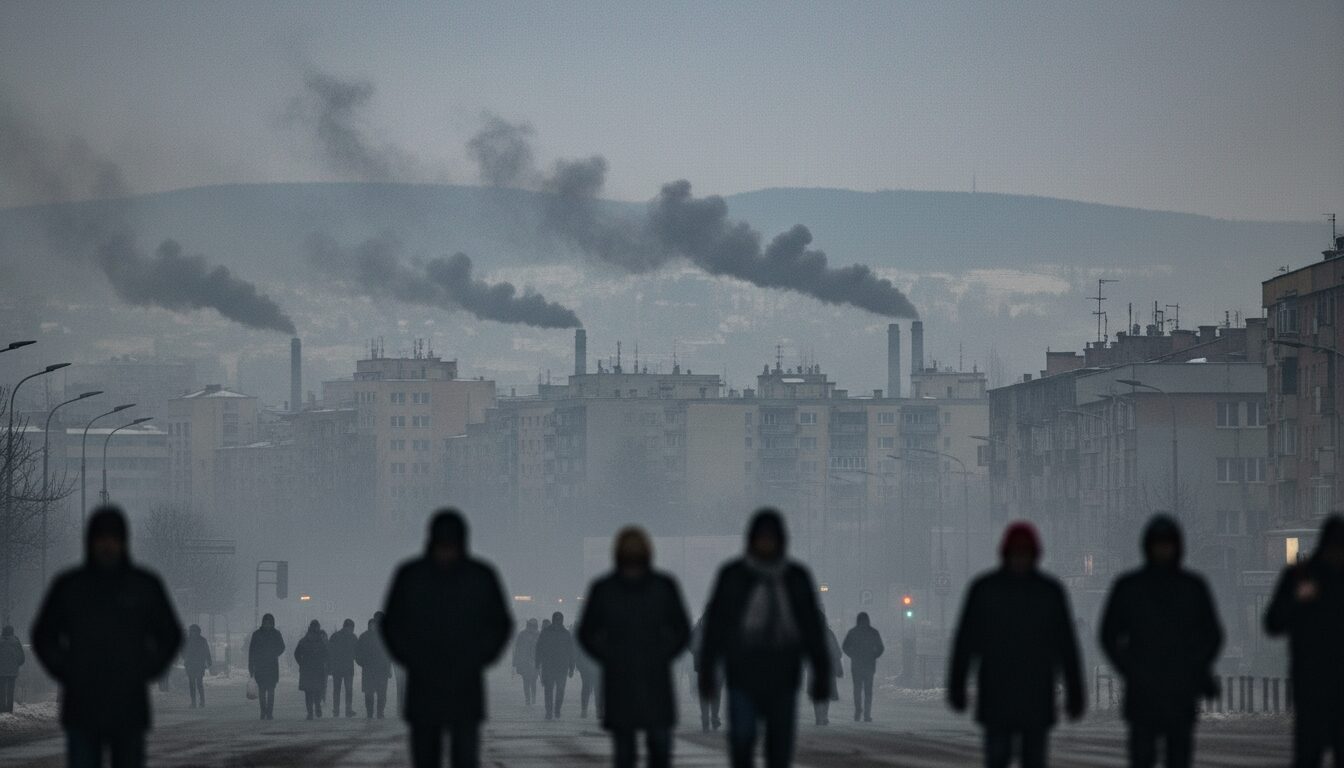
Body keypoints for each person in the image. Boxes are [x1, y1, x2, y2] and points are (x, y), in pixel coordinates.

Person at [31, 506, 183, 768]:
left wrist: (146, 669)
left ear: (123, 542)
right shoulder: (72, 586)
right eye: (101, 538)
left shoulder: (142, 585)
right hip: (84, 706)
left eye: (113, 538)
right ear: (90, 541)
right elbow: (44, 634)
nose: (107, 545)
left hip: (126, 705)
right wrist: (67, 669)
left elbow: (170, 634)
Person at [699, 509, 831, 768]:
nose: (766, 544)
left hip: (784, 674)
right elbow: (715, 628)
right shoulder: (733, 576)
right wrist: (707, 671)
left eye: (771, 538)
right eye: (761, 538)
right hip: (742, 673)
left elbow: (813, 630)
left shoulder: (795, 578)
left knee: (779, 747)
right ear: (751, 540)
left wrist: (821, 673)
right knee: (741, 739)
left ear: (781, 541)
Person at [381, 509, 513, 768]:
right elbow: (499, 623)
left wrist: (410, 656)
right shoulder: (480, 576)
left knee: (440, 756)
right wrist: (481, 656)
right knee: (448, 756)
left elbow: (392, 624)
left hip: (435, 682)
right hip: (456, 681)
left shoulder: (412, 575)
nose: (447, 552)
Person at [948, 521, 1085, 768]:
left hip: (1009, 694)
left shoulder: (987, 589)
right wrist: (956, 685)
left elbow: (1066, 646)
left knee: (1017, 758)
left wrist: (1075, 692)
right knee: (1008, 758)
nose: (1020, 559)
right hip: (1023, 695)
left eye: (1024, 553)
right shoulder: (1047, 592)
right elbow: (965, 642)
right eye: (1017, 553)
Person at [1100, 515, 1223, 768]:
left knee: (1177, 758)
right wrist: (1131, 670)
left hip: (1175, 692)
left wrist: (1194, 666)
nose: (1163, 550)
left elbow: (1212, 635)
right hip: (1147, 692)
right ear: (1148, 546)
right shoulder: (1134, 587)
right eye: (1159, 544)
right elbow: (1108, 635)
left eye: (1167, 544)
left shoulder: (1189, 587)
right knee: (1145, 758)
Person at [578, 528, 692, 768]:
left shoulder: (608, 588)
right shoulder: (658, 586)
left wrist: (608, 655)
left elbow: (681, 629)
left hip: (638, 675)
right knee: (629, 750)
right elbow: (586, 632)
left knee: (650, 748)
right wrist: (664, 653)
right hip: (638, 675)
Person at [1266, 515, 1344, 768]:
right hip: (1312, 681)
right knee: (1308, 753)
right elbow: (1274, 621)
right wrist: (1298, 601)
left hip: (1318, 680)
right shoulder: (1302, 577)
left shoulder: (1302, 575)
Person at [841, 612, 884, 723]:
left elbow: (845, 646)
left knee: (857, 689)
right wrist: (874, 655)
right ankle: (867, 714)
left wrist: (852, 655)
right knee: (868, 691)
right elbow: (881, 647)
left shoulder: (853, 632)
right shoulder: (873, 632)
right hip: (869, 664)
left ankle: (857, 711)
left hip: (856, 665)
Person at [536, 611, 576, 720]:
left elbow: (571, 651)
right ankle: (549, 711)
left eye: (559, 620)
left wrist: (572, 667)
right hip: (550, 666)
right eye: (556, 620)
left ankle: (556, 709)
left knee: (560, 690)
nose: (557, 622)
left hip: (560, 667)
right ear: (553, 620)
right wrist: (537, 662)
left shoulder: (565, 634)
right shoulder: (547, 632)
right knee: (549, 690)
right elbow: (539, 648)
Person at [808, 611, 842, 726]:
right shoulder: (829, 633)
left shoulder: (811, 634)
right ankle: (824, 716)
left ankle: (818, 716)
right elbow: (837, 651)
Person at [248, 613, 285, 720]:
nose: (267, 624)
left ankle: (268, 712)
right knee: (262, 691)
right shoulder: (259, 634)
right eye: (266, 622)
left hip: (270, 666)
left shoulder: (271, 634)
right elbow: (252, 651)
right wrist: (251, 666)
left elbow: (282, 647)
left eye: (269, 622)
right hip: (262, 666)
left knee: (270, 690)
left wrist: (274, 653)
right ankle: (264, 711)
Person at [356, 612, 393, 719]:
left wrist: (362, 663)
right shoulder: (366, 636)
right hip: (373, 669)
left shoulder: (367, 636)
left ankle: (376, 713)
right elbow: (358, 653)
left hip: (376, 669)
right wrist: (362, 662)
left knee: (377, 693)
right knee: (372, 693)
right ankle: (374, 713)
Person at [690, 613, 722, 732]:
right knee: (715, 693)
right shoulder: (718, 627)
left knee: (707, 693)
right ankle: (712, 718)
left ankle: (708, 719)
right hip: (713, 665)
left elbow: (690, 644)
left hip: (704, 665)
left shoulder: (698, 628)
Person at [294, 620, 330, 720]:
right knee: (317, 690)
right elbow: (327, 654)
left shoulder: (304, 640)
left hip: (307, 670)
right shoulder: (321, 641)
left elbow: (296, 653)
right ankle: (317, 707)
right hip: (318, 669)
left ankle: (310, 712)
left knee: (308, 692)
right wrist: (323, 662)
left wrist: (301, 663)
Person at [329, 618, 359, 718]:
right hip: (348, 667)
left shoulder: (335, 636)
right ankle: (348, 709)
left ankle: (336, 710)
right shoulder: (353, 637)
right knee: (348, 690)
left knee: (337, 690)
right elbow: (357, 652)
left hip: (337, 667)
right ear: (350, 627)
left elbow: (329, 651)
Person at [574, 621, 603, 720]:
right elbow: (578, 653)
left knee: (595, 690)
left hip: (594, 668)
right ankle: (587, 710)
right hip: (588, 668)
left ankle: (595, 711)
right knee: (590, 689)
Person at [182, 624, 214, 709]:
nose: (193, 633)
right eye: (192, 631)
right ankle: (194, 702)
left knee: (198, 683)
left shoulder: (197, 640)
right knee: (192, 684)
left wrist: (209, 661)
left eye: (194, 631)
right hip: (192, 665)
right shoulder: (196, 640)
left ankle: (200, 702)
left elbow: (207, 651)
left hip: (198, 665)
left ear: (198, 631)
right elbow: (183, 651)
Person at [511, 619, 541, 707]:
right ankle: (529, 698)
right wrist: (515, 661)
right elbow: (517, 649)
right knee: (528, 681)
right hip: (526, 661)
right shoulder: (524, 634)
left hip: (532, 661)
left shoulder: (536, 634)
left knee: (531, 681)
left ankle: (531, 698)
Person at [0, 624, 25, 714]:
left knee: (1, 690)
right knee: (10, 690)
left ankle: (2, 709)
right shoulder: (16, 641)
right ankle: (9, 709)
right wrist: (17, 663)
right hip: (12, 671)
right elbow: (21, 657)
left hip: (1, 671)